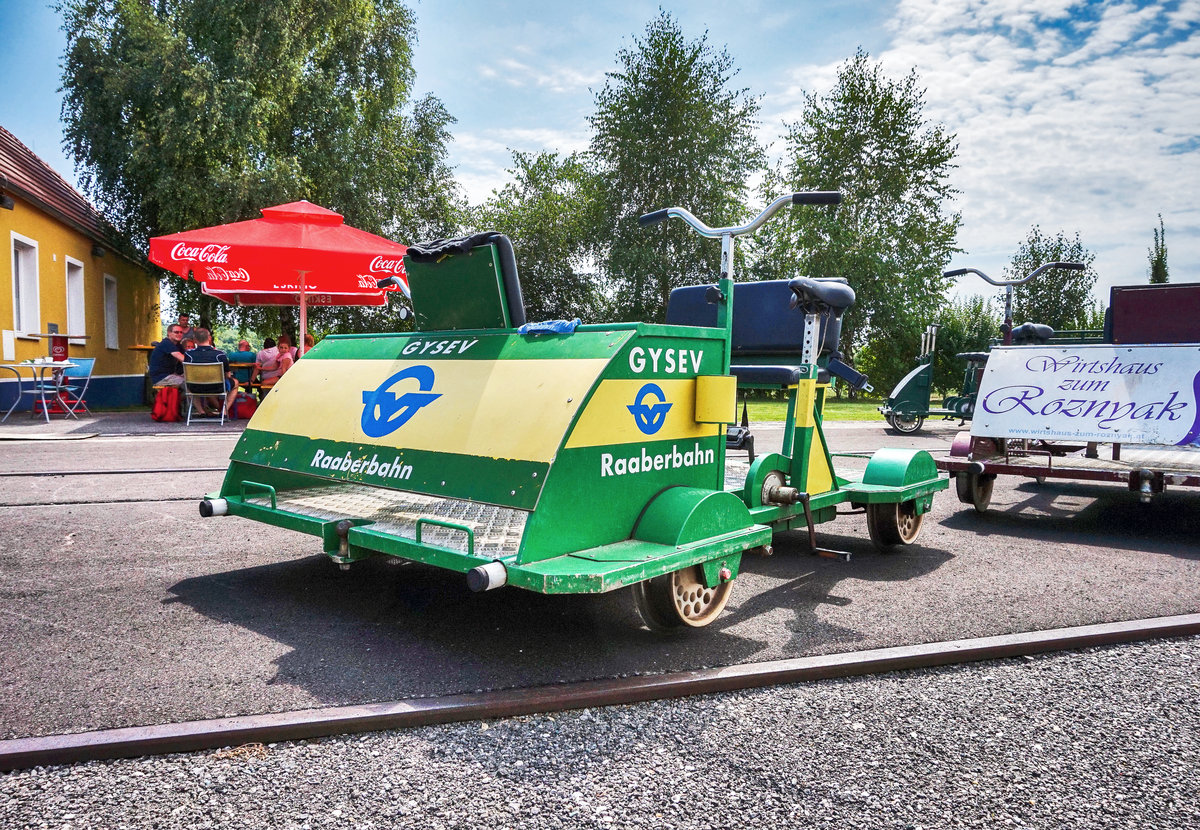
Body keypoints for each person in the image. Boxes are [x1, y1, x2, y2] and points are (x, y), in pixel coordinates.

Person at [184, 328, 239, 416]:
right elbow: (228, 374)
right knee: (235, 383)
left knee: (187, 384)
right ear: (209, 338)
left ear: (195, 340)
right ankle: (224, 412)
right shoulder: (220, 354)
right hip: (217, 387)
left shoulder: (188, 355)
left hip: (196, 387)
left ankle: (201, 411)